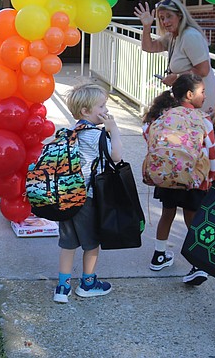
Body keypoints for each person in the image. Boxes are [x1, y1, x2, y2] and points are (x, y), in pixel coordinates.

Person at [141, 73, 215, 285]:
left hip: (167, 173)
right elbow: (211, 150)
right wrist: (211, 176)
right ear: (190, 94)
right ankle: (198, 264)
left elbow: (148, 133)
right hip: (194, 177)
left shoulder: (165, 116)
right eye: (202, 92)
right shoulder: (203, 119)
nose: (205, 96)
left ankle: (159, 255)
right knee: (193, 219)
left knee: (167, 214)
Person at [53, 81, 124, 304]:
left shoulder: (71, 132)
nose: (106, 111)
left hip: (66, 196)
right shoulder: (97, 135)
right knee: (92, 243)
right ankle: (88, 283)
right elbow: (117, 157)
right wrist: (114, 131)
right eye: (102, 106)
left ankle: (62, 288)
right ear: (86, 111)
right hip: (88, 198)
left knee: (68, 243)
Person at [134, 0, 215, 116]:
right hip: (189, 100)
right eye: (162, 18)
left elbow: (203, 70)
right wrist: (147, 26)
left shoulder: (189, 35)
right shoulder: (173, 36)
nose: (165, 22)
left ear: (179, 15)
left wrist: (176, 77)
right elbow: (149, 47)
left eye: (169, 16)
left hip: (202, 99)